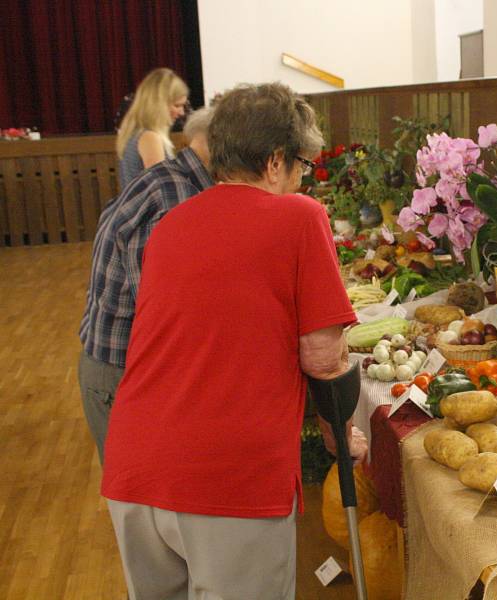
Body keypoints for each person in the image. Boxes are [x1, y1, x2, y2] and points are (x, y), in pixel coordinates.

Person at [101, 83, 367, 600]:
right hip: (226, 475)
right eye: (301, 167)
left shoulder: (173, 224)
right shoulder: (299, 217)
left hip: (136, 464)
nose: (301, 181)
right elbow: (322, 354)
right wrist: (339, 432)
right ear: (273, 162)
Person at [79, 107, 215, 464]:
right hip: (122, 374)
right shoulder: (175, 195)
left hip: (119, 367)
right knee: (142, 505)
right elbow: (163, 310)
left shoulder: (172, 180)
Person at [116, 68, 189, 188]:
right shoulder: (149, 137)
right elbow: (161, 189)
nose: (181, 112)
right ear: (158, 103)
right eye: (177, 105)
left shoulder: (133, 132)